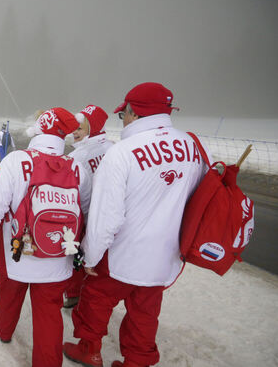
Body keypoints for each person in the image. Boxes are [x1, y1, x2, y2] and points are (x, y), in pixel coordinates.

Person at [64, 83, 208, 367]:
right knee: (145, 311)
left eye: (124, 114)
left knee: (95, 299)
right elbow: (199, 197)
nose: (124, 119)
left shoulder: (123, 153)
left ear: (134, 112)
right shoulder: (193, 147)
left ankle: (90, 350)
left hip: (124, 252)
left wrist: (91, 255)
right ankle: (138, 361)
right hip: (165, 254)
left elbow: (107, 216)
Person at [0, 107, 91, 367]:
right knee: (49, 315)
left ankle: (4, 331)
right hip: (58, 256)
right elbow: (86, 210)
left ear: (39, 129)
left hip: (18, 252)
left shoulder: (16, 161)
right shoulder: (77, 167)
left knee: (9, 294)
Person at [63, 105, 114, 308]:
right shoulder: (113, 148)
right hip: (110, 214)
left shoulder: (77, 157)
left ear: (92, 129)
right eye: (73, 128)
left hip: (85, 215)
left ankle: (74, 293)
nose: (74, 133)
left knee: (76, 256)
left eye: (79, 129)